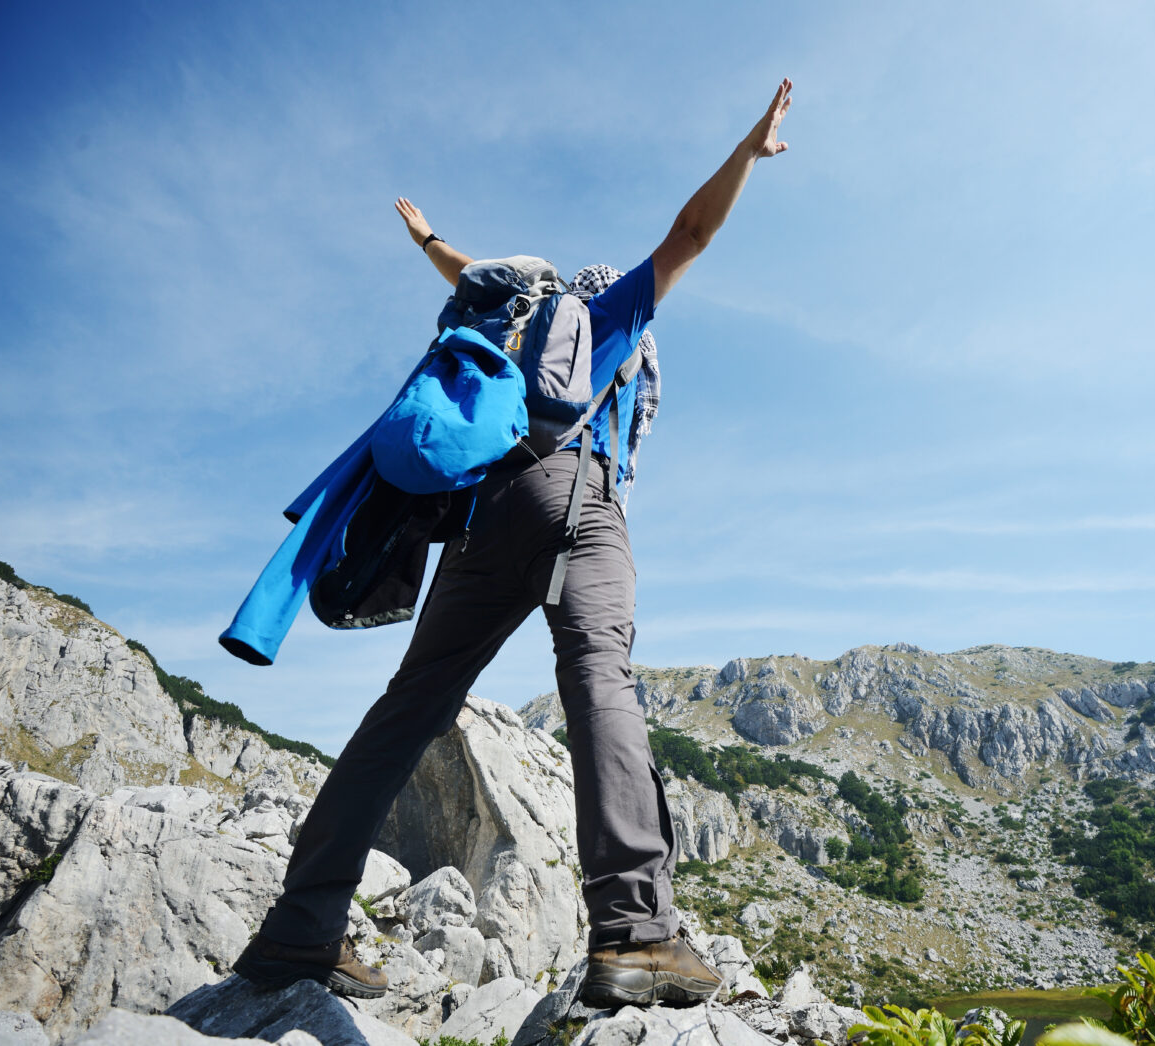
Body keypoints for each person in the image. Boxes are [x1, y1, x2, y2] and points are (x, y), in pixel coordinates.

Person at [233, 79, 793, 1008]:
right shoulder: (611, 314)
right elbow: (692, 233)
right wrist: (744, 153)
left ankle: (300, 930)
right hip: (576, 497)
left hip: (482, 513)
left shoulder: (512, 316)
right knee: (598, 674)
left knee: (410, 704)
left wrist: (426, 241)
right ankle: (636, 932)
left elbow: (465, 272)